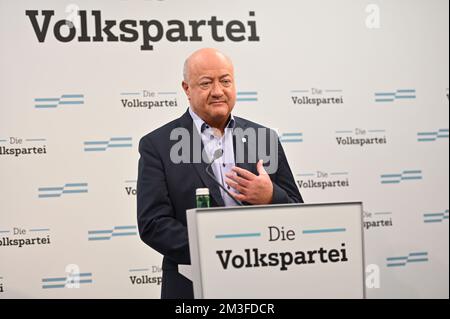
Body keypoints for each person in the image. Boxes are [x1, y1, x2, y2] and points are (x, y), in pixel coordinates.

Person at [137, 48, 303, 299]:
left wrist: (271, 196)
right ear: (186, 89)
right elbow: (152, 224)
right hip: (192, 286)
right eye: (206, 83)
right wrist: (219, 250)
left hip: (261, 284)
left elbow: (299, 214)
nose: (218, 91)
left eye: (225, 81)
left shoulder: (264, 138)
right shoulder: (159, 145)